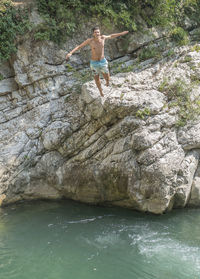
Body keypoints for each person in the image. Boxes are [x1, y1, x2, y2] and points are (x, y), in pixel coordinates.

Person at [66, 27, 129, 97]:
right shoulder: (90, 41)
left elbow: (111, 36)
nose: (97, 33)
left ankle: (107, 82)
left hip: (103, 61)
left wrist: (121, 33)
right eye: (95, 32)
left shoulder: (103, 38)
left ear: (100, 33)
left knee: (107, 77)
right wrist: (70, 53)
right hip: (94, 63)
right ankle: (101, 91)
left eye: (98, 32)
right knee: (96, 78)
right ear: (93, 33)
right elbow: (79, 46)